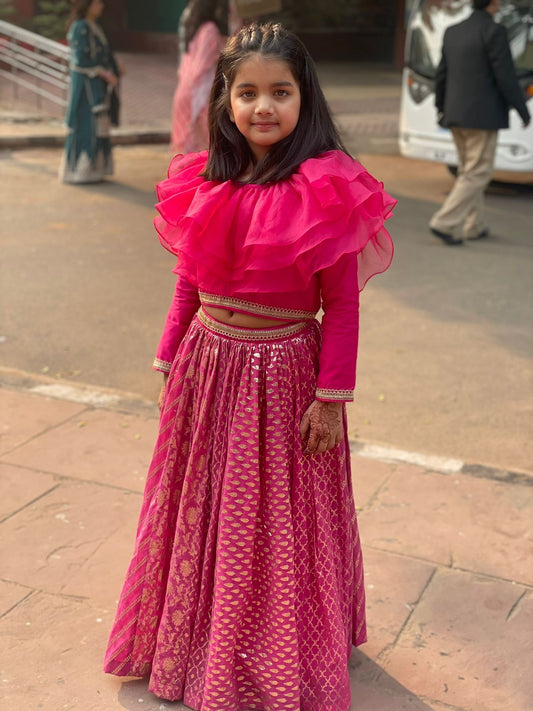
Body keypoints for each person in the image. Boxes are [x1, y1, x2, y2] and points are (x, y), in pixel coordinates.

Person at [103, 22, 395, 710]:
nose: (263, 107)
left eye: (281, 92)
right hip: (206, 368)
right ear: (226, 101)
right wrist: (167, 356)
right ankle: (196, 636)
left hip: (285, 376)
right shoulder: (208, 182)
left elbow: (341, 308)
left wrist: (331, 395)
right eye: (248, 93)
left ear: (305, 99)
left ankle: (270, 648)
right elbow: (188, 279)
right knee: (199, 507)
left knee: (273, 517)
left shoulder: (327, 188)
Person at [429, 0, 531, 246]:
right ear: (493, 4)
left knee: (468, 171)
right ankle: (444, 222)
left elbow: (442, 74)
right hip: (482, 118)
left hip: (455, 115)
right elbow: (505, 75)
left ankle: (475, 224)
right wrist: (522, 110)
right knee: (477, 173)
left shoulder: (453, 31)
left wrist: (441, 109)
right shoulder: (494, 31)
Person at [60, 0, 120, 184]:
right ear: (88, 4)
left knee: (96, 125)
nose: (101, 6)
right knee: (85, 123)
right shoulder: (80, 27)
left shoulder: (94, 26)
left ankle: (96, 170)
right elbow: (80, 60)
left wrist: (114, 69)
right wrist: (105, 73)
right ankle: (80, 171)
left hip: (96, 86)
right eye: (97, 3)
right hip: (85, 86)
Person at [170, 0, 230, 153]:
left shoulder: (194, 29)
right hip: (199, 94)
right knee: (206, 147)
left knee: (186, 150)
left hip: (184, 91)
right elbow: (203, 64)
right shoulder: (210, 30)